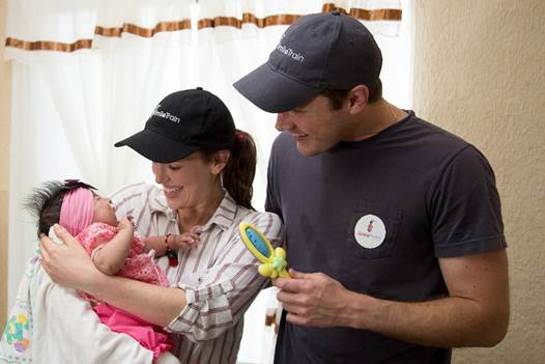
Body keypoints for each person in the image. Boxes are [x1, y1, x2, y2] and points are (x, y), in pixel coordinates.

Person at [233, 11, 509, 364]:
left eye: (295, 108)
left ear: (355, 99)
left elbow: (487, 321)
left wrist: (351, 309)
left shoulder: (452, 166)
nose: (279, 125)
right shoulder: (288, 150)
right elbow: (280, 253)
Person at [38, 88, 283, 364]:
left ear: (218, 161)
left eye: (173, 166)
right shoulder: (133, 202)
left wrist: (92, 279)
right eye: (155, 161)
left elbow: (206, 317)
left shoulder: (256, 230)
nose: (159, 176)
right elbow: (58, 257)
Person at [23, 179, 200, 360]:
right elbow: (106, 264)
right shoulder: (96, 236)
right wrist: (125, 232)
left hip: (135, 308)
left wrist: (170, 241)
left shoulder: (112, 235)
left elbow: (143, 245)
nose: (109, 200)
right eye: (98, 199)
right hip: (120, 313)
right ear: (84, 217)